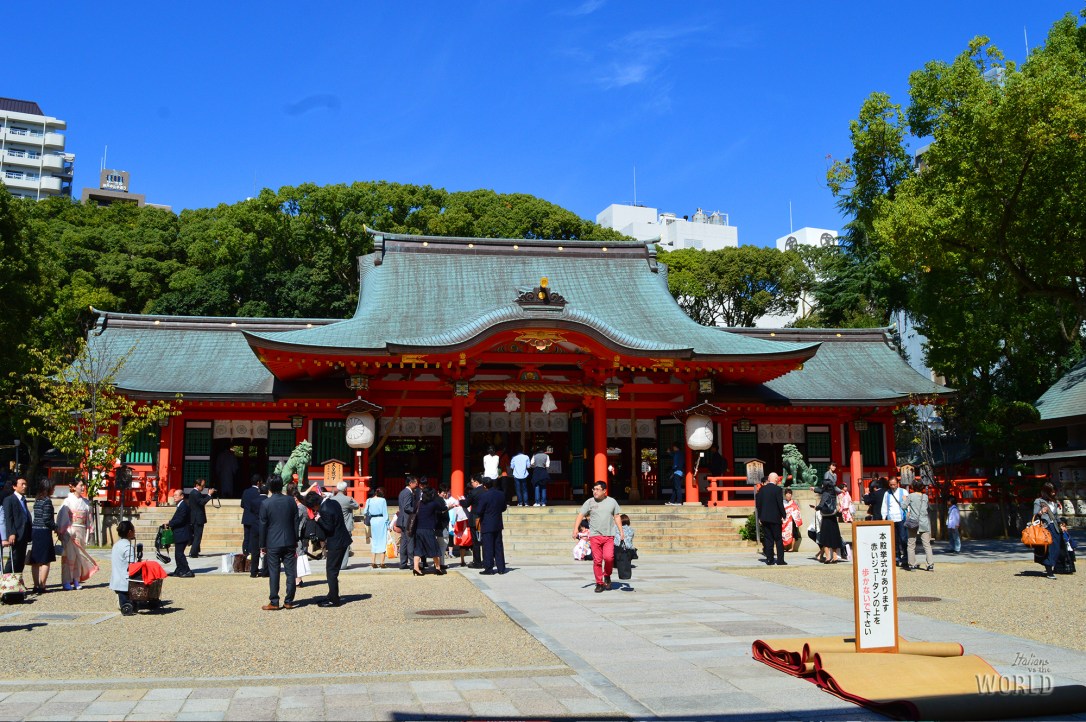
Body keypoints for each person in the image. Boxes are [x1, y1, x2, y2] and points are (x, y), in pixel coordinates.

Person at [573, 481, 623, 592]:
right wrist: (575, 529)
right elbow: (581, 515)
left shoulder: (612, 502)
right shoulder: (589, 502)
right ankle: (599, 583)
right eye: (593, 489)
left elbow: (617, 516)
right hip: (595, 535)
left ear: (604, 491)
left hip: (609, 535)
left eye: (597, 489)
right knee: (597, 561)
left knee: (609, 558)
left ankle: (607, 575)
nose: (595, 492)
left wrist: (621, 531)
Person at [260, 478, 299, 609]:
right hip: (289, 540)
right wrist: (296, 538)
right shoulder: (290, 501)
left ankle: (274, 601)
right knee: (290, 572)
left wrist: (262, 545)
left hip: (273, 541)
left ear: (269, 487)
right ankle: (289, 600)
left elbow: (263, 525)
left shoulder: (266, 503)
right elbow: (296, 521)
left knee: (274, 572)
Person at [57, 480, 98, 590]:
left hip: (81, 530)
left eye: (83, 485)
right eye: (80, 485)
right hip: (70, 531)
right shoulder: (67, 501)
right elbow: (63, 516)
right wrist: (65, 530)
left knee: (79, 556)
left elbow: (89, 518)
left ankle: (76, 579)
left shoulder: (85, 502)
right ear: (74, 487)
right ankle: (66, 580)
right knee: (69, 556)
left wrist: (91, 530)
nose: (83, 487)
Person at [317, 491, 352, 606]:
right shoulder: (333, 502)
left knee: (331, 571)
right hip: (342, 538)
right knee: (334, 571)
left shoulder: (324, 509)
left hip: (336, 542)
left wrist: (318, 519)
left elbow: (329, 528)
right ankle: (332, 594)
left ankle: (334, 599)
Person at [29, 478, 58, 594]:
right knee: (45, 560)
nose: (53, 490)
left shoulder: (37, 500)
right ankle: (42, 585)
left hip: (35, 530)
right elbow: (47, 519)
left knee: (35, 560)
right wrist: (55, 527)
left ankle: (36, 585)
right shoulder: (47, 501)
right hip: (44, 532)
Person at [475, 477, 507, 575]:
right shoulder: (501, 494)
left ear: (484, 486)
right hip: (497, 522)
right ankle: (501, 568)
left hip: (487, 523)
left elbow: (479, 511)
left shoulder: (484, 496)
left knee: (488, 547)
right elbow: (504, 508)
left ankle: (489, 568)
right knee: (498, 546)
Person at [411, 487, 447, 576]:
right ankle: (438, 568)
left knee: (418, 548)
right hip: (428, 529)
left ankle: (416, 568)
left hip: (418, 529)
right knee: (434, 548)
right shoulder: (433, 504)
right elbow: (443, 508)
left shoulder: (419, 503)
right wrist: (450, 505)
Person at [755, 472, 787, 565]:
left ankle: (770, 559)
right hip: (775, 518)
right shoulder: (778, 489)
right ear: (776, 479)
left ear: (769, 479)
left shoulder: (762, 489)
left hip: (765, 518)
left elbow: (758, 505)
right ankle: (780, 560)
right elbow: (780, 504)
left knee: (768, 539)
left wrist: (760, 516)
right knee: (778, 539)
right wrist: (784, 515)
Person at [2, 477, 32, 577]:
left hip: (24, 534)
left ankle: (17, 581)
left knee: (20, 560)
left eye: (25, 484)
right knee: (13, 559)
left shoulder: (23, 500)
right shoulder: (9, 500)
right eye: (22, 484)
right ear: (14, 486)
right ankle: (6, 581)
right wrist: (11, 533)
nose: (24, 486)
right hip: (16, 534)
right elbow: (8, 518)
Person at [110, 520, 139, 616]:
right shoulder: (128, 546)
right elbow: (132, 564)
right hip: (125, 582)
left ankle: (124, 602)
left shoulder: (116, 544)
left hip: (116, 580)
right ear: (130, 532)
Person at [903, 480, 934, 571]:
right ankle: (930, 564)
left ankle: (912, 564)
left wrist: (904, 500)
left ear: (913, 487)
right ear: (922, 487)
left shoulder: (910, 496)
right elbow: (928, 508)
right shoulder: (925, 497)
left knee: (911, 544)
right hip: (924, 522)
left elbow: (903, 506)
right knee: (927, 544)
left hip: (913, 521)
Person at [1033, 482, 1061, 580]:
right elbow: (1035, 514)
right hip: (1045, 527)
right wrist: (1041, 512)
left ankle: (1050, 566)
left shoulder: (1054, 501)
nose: (1053, 493)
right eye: (1051, 491)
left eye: (1054, 491)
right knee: (1049, 549)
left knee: (1056, 548)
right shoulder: (1039, 501)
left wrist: (1061, 523)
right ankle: (1049, 570)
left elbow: (1056, 515)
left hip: (1055, 527)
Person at [331, 481, 359, 570]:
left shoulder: (332, 499)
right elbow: (357, 506)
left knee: (336, 546)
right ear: (345, 489)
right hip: (346, 526)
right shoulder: (347, 500)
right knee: (345, 546)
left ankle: (335, 563)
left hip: (335, 526)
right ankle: (343, 565)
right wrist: (352, 498)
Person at [881, 477, 908, 566]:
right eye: (891, 485)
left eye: (894, 484)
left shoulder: (903, 492)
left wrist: (908, 513)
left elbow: (908, 504)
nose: (893, 486)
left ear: (897, 483)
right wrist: (884, 517)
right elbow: (884, 505)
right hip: (891, 519)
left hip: (901, 518)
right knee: (894, 539)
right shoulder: (887, 493)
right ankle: (896, 556)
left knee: (903, 538)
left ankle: (905, 555)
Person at [167, 489, 194, 578]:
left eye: (176, 495)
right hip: (179, 533)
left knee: (179, 553)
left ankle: (187, 570)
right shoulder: (180, 505)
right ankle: (179, 570)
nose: (174, 497)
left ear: (182, 496)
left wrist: (170, 523)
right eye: (174, 495)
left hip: (183, 533)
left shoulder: (183, 506)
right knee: (177, 553)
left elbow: (180, 520)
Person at [187, 478, 216, 558]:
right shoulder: (195, 493)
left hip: (196, 517)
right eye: (202, 486)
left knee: (197, 535)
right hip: (197, 518)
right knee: (197, 536)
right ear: (197, 485)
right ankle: (193, 553)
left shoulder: (195, 493)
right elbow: (202, 502)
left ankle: (196, 551)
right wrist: (209, 495)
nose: (203, 487)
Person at [816, 479, 843, 564]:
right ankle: (835, 557)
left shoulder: (825, 493)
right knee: (834, 537)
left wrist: (816, 508)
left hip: (826, 518)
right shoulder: (833, 492)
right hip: (833, 517)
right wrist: (814, 489)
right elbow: (839, 491)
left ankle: (827, 557)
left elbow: (821, 504)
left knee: (825, 538)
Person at [241, 474, 263, 577]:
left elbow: (242, 504)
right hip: (255, 518)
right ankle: (251, 558)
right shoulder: (258, 492)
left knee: (246, 537)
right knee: (253, 541)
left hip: (246, 517)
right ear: (258, 482)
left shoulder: (246, 491)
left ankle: (245, 556)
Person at [397, 476, 420, 570]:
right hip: (407, 520)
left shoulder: (403, 492)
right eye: (416, 482)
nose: (417, 484)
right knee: (410, 541)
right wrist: (416, 511)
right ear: (411, 483)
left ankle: (403, 563)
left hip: (402, 520)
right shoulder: (408, 493)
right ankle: (412, 563)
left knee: (404, 542)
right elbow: (407, 507)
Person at [363, 487, 389, 568]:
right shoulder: (383, 500)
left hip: (373, 520)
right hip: (381, 520)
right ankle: (382, 562)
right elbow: (385, 513)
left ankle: (373, 562)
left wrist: (370, 514)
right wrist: (388, 524)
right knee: (382, 540)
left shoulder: (369, 500)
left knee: (374, 540)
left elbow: (365, 512)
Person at [465, 475, 485, 568]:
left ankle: (477, 562)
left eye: (472, 482)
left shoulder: (474, 492)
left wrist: (460, 501)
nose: (471, 484)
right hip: (484, 519)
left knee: (476, 541)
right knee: (483, 541)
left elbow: (466, 503)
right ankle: (486, 560)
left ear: (476, 482)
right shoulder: (485, 490)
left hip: (476, 519)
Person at [834, 469, 853, 561]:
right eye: (845, 487)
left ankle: (848, 521)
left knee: (848, 515)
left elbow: (849, 499)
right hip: (843, 507)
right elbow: (840, 500)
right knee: (845, 515)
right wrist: (841, 506)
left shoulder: (847, 493)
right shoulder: (840, 494)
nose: (846, 488)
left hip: (847, 507)